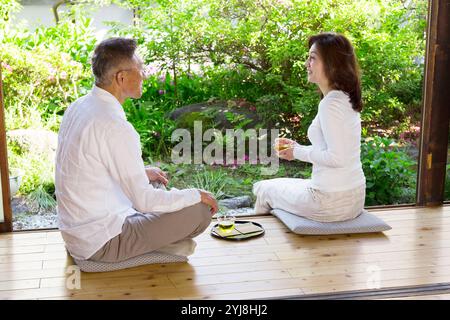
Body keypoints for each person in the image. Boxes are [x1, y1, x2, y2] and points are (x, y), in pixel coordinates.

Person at [55, 37, 218, 262]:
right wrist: (197, 195)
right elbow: (144, 201)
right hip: (102, 242)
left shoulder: (81, 105)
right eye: (140, 69)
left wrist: (142, 173)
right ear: (121, 78)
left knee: (155, 179)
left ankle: (157, 240)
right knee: (199, 211)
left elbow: (91, 170)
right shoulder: (113, 124)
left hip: (79, 232)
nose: (144, 75)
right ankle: (155, 247)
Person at [253, 32, 366, 222]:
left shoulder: (331, 104)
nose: (306, 64)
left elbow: (336, 157)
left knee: (264, 189)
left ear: (332, 64)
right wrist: (297, 148)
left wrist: (296, 152)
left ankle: (260, 244)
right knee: (275, 186)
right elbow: (337, 151)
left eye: (312, 58)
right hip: (354, 197)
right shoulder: (343, 98)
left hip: (330, 202)